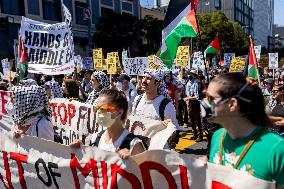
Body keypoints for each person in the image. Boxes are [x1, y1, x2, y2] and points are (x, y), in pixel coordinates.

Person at [206, 73, 284, 188]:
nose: (204, 104)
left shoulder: (277, 148)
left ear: (232, 104)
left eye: (210, 98)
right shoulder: (217, 137)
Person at [70, 89, 145, 159]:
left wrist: (131, 160)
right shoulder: (96, 138)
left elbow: (144, 171)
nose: (99, 112)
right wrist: (81, 149)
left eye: (103, 109)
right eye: (97, 109)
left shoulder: (133, 145)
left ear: (119, 111)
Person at [132, 69, 181, 149]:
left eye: (148, 78)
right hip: (139, 150)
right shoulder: (137, 99)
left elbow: (174, 133)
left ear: (157, 83)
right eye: (143, 77)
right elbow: (133, 122)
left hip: (157, 152)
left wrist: (169, 127)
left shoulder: (166, 105)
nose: (143, 81)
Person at [185, 70, 204, 142]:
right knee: (191, 119)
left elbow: (197, 97)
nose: (189, 75)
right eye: (189, 74)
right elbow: (187, 93)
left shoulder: (197, 83)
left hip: (196, 103)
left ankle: (200, 135)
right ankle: (194, 134)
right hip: (190, 102)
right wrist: (187, 101)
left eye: (191, 74)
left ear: (195, 75)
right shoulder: (189, 82)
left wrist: (188, 98)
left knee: (197, 120)